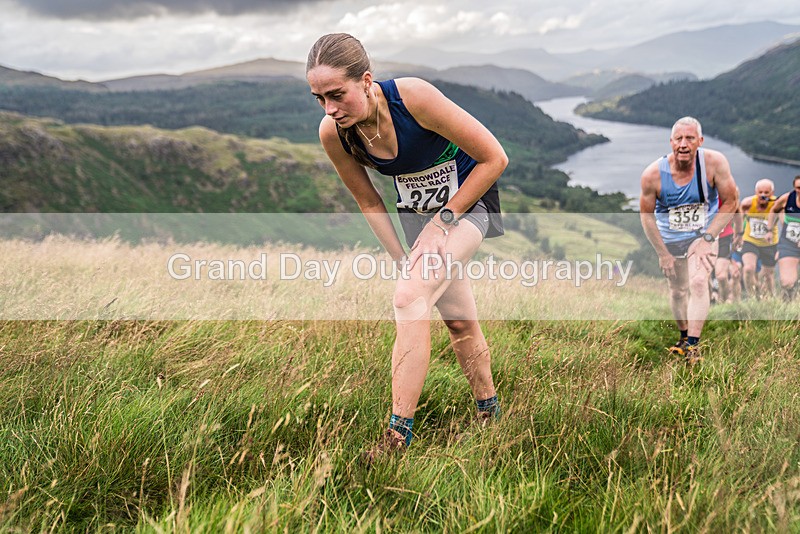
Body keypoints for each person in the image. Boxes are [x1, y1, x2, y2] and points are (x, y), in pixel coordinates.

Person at [306, 33, 507, 458]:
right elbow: (368, 200)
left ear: (366, 80)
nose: (330, 108)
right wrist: (403, 257)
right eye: (319, 98)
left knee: (409, 297)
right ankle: (491, 416)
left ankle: (397, 437)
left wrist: (443, 221)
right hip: (417, 217)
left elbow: (495, 159)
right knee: (458, 321)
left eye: (337, 94)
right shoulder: (334, 133)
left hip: (467, 201)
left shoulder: (413, 97)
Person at [640, 116, 737, 364]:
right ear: (670, 142)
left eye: (690, 138)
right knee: (678, 290)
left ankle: (692, 346)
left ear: (700, 141)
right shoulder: (653, 175)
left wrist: (708, 237)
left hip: (702, 235)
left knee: (697, 282)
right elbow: (646, 217)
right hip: (669, 239)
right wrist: (663, 254)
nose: (683, 144)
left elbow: (731, 201)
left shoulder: (714, 163)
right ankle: (683, 335)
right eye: (678, 139)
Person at [740, 179, 779, 299]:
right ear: (755, 192)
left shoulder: (777, 204)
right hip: (750, 240)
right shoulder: (748, 203)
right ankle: (752, 297)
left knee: (768, 275)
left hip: (769, 243)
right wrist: (739, 234)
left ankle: (771, 299)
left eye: (766, 192)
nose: (763, 195)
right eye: (760, 192)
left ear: (772, 193)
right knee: (748, 269)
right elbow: (740, 218)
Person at [767, 175, 800, 301]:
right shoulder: (787, 198)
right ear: (794, 188)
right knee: (787, 282)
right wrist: (769, 230)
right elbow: (773, 210)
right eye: (798, 187)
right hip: (789, 244)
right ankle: (788, 306)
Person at [714, 192, 744, 303]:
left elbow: (738, 214)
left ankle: (725, 300)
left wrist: (739, 235)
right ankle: (709, 303)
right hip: (702, 238)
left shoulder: (728, 197)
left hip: (724, 238)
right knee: (703, 277)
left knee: (722, 276)